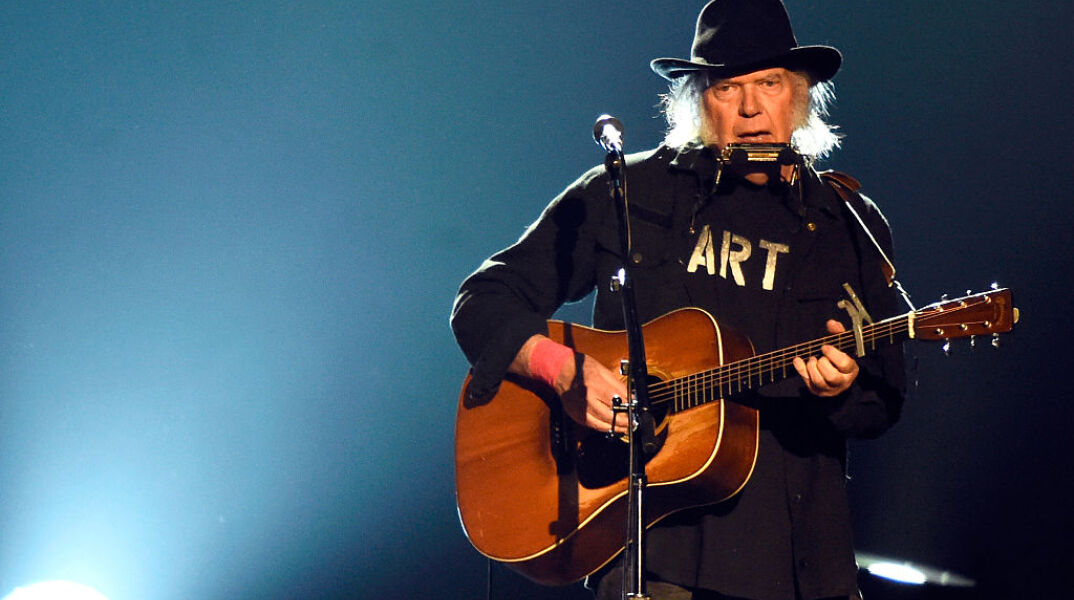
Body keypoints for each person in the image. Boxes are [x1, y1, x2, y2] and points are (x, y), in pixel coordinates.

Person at [450, 1, 906, 599]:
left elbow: (887, 392)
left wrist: (843, 389)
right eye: (727, 88)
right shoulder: (628, 192)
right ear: (697, 99)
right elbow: (484, 300)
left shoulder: (850, 223)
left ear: (799, 96)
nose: (750, 108)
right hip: (656, 559)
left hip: (806, 568)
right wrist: (563, 371)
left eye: (768, 84)